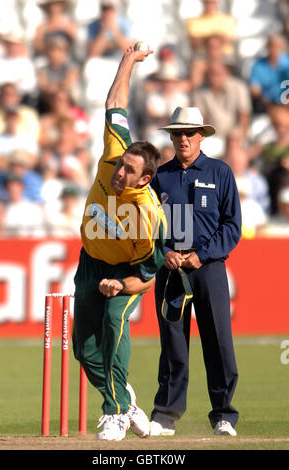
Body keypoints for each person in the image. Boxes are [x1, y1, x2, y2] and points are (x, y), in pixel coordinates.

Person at [72, 46, 167, 441]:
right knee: (83, 349)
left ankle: (113, 413)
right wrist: (128, 60)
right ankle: (126, 400)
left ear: (145, 179)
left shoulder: (149, 217)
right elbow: (115, 104)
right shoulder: (114, 153)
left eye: (129, 170)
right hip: (91, 261)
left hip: (126, 273)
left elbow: (148, 277)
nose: (118, 171)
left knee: (114, 320)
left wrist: (120, 285)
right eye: (121, 162)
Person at [149, 106, 241, 437]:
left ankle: (224, 415)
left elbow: (232, 226)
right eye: (177, 133)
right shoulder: (160, 175)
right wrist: (165, 254)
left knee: (218, 339)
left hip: (209, 268)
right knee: (173, 340)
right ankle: (166, 414)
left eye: (189, 132)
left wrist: (202, 255)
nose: (183, 138)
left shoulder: (220, 172)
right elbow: (148, 227)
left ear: (202, 135)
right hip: (171, 269)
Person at [249, 34, 289, 113]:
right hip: (265, 105)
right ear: (267, 47)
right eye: (272, 46)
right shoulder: (258, 65)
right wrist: (267, 103)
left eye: (277, 46)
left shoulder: (287, 64)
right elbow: (255, 88)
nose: (274, 49)